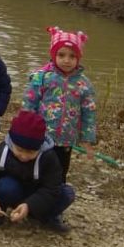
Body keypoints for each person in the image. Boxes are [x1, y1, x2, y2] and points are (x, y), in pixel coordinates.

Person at [0, 109, 75, 233]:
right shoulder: (2, 151)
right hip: (13, 192)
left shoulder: (49, 158)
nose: (23, 156)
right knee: (5, 186)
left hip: (36, 194)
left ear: (39, 148)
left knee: (67, 193)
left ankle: (45, 216)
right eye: (19, 150)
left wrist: (29, 205)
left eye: (30, 152)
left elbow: (51, 188)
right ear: (12, 143)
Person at [22, 27, 96, 182]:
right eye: (61, 55)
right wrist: (25, 127)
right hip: (42, 135)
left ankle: (55, 195)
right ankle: (32, 194)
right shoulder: (42, 77)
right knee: (36, 167)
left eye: (72, 56)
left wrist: (87, 140)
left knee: (60, 171)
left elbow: (89, 113)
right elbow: (29, 103)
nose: (66, 60)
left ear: (78, 58)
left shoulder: (84, 84)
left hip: (66, 139)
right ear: (53, 55)